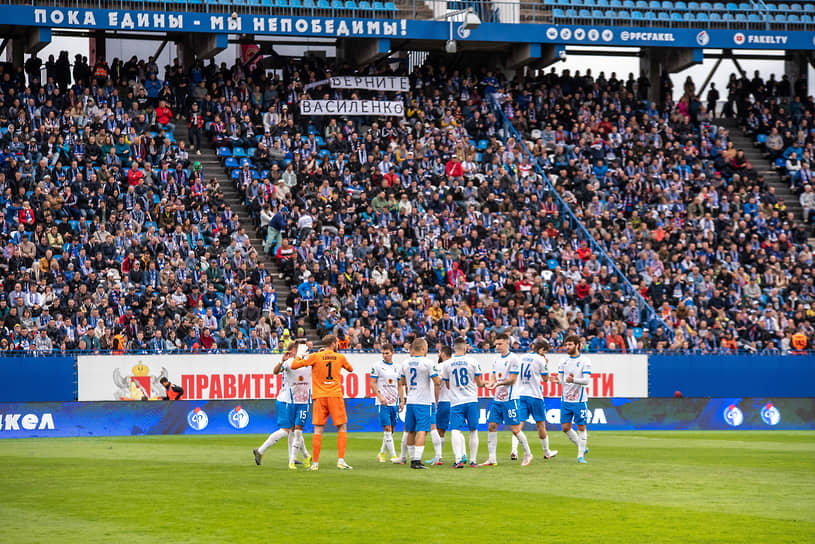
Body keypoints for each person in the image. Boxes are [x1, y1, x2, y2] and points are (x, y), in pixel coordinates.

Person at [291, 334, 354, 470]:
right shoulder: (340, 357)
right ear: (333, 344)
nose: (337, 345)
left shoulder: (315, 356)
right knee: (342, 427)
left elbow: (294, 365)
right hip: (335, 395)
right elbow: (350, 369)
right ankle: (341, 461)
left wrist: (299, 355)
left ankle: (315, 464)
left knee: (318, 429)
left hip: (319, 396)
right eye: (336, 343)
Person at [482, 333, 534, 466]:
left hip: (511, 399)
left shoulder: (514, 359)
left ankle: (528, 454)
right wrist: (490, 383)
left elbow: (512, 379)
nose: (497, 346)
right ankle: (492, 458)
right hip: (498, 399)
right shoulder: (496, 359)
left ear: (507, 343)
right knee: (492, 426)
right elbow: (493, 375)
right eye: (496, 344)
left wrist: (498, 384)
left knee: (515, 429)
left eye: (499, 344)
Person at [254, 342, 308, 467]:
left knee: (293, 431)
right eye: (297, 350)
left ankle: (292, 458)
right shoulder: (288, 362)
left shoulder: (298, 362)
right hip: (285, 400)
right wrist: (281, 360)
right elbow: (275, 371)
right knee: (285, 430)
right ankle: (260, 450)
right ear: (292, 351)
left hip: (292, 400)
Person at [442, 336, 485, 468]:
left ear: (454, 348)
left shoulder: (447, 364)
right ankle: (473, 461)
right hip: (471, 399)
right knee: (473, 431)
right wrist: (486, 384)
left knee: (455, 430)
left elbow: (448, 385)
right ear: (465, 347)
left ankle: (458, 460)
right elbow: (479, 383)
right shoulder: (473, 361)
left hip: (456, 401)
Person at [400, 338, 441, 469]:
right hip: (423, 402)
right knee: (423, 430)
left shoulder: (405, 363)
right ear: (423, 348)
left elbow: (403, 382)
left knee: (410, 431)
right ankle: (416, 461)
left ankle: (412, 459)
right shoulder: (428, 362)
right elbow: (437, 381)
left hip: (410, 401)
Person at [515, 340, 558, 460]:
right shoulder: (540, 359)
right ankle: (546, 452)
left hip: (521, 393)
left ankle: (514, 451)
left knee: (518, 426)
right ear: (541, 350)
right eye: (545, 351)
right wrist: (545, 364)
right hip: (535, 395)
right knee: (541, 425)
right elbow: (545, 379)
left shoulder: (523, 356)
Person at [559, 335, 591, 463]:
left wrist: (574, 380)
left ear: (577, 345)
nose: (567, 347)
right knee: (565, 428)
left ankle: (580, 456)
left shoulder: (585, 361)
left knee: (581, 427)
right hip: (566, 400)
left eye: (570, 345)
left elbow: (586, 381)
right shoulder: (563, 361)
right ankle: (581, 446)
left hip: (579, 400)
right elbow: (561, 380)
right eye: (566, 345)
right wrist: (556, 380)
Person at [369, 342, 403, 463]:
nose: (384, 355)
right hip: (383, 402)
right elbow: (372, 383)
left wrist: (402, 400)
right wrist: (379, 396)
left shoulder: (398, 367)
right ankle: (394, 456)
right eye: (383, 353)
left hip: (394, 402)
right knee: (387, 428)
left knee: (392, 430)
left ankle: (382, 453)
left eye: (387, 353)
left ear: (392, 353)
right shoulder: (377, 366)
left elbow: (399, 385)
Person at [425, 345, 452, 465]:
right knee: (457, 429)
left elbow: (436, 385)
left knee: (439, 430)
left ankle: (438, 457)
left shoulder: (440, 367)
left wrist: (435, 401)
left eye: (439, 352)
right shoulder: (456, 364)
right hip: (456, 401)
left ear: (443, 354)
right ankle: (463, 455)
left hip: (443, 401)